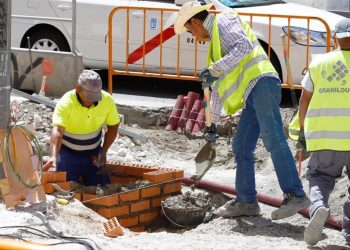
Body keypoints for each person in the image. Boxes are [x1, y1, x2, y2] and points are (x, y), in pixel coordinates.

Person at [174, 1, 310, 220]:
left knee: (273, 139)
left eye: (191, 30)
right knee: (241, 146)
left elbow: (244, 47)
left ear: (195, 22)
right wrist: (212, 125)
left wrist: (214, 69)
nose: (196, 37)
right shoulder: (215, 46)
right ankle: (247, 201)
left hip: (262, 83)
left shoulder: (224, 20)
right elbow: (217, 89)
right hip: (252, 93)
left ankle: (296, 195)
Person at [293, 18, 350, 246]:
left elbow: (304, 100)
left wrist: (302, 132)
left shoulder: (318, 64)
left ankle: (318, 207)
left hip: (325, 137)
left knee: (320, 177)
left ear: (334, 37)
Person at [43, 70, 120, 186]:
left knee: (102, 188)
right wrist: (53, 156)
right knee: (65, 187)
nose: (91, 101)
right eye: (89, 97)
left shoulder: (107, 100)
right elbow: (58, 130)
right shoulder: (66, 102)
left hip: (93, 154)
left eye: (95, 97)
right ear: (78, 88)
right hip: (67, 155)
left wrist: (103, 151)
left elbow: (113, 126)